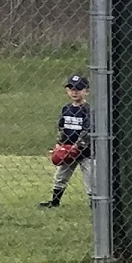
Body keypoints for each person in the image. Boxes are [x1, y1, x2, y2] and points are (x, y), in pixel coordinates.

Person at [39, 73, 91, 208]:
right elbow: (62, 128)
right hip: (68, 150)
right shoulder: (66, 109)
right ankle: (55, 201)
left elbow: (88, 131)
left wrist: (77, 147)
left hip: (86, 152)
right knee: (60, 176)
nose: (74, 92)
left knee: (91, 180)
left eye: (78, 89)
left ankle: (95, 204)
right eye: (71, 88)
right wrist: (59, 145)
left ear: (86, 91)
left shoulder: (88, 110)